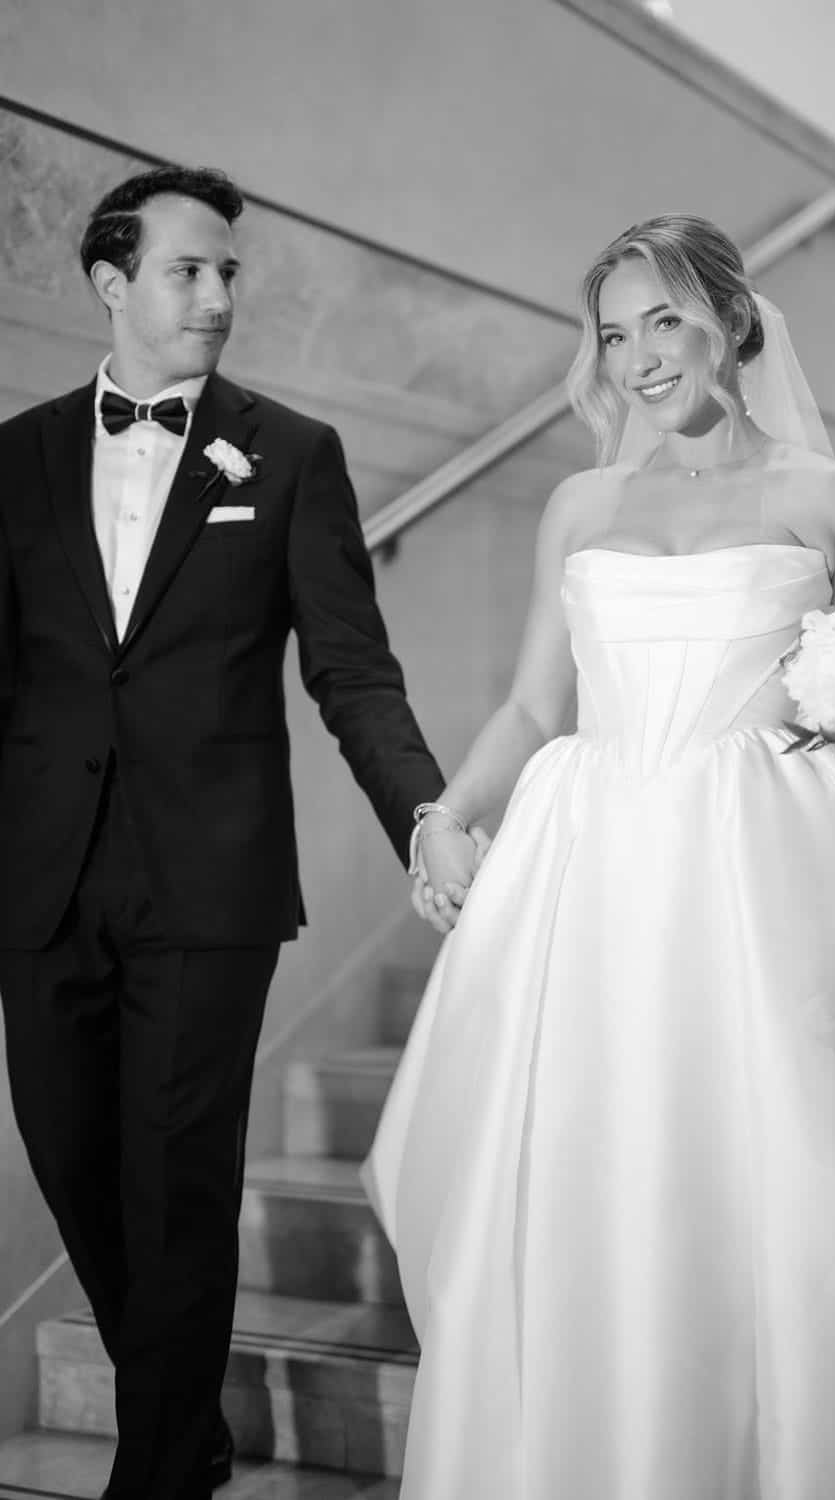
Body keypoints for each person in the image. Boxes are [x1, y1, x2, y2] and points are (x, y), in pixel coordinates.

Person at [363, 214, 835, 1499]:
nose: (641, 357)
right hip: (591, 868)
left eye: (666, 321)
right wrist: (445, 813)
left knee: (784, 1164)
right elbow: (533, 705)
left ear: (733, 320)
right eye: (615, 335)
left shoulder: (833, 500)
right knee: (592, 1163)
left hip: (761, 871)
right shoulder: (579, 504)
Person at [0, 164, 475, 1500]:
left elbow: (353, 671)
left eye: (227, 273)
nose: (216, 296)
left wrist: (425, 811)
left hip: (209, 880)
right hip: (39, 877)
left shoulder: (292, 453)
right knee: (73, 1161)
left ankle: (159, 1472)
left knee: (180, 1182)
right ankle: (187, 1421)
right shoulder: (17, 456)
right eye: (187, 271)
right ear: (112, 283)